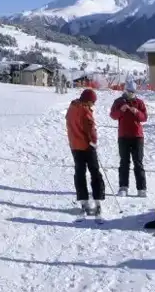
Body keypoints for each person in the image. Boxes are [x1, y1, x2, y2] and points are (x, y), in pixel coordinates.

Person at [66, 88, 104, 217]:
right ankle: (98, 199)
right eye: (93, 102)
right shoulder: (84, 110)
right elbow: (90, 128)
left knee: (80, 173)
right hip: (86, 146)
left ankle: (83, 201)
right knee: (95, 172)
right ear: (88, 101)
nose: (93, 105)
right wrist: (93, 141)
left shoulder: (72, 107)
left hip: (74, 145)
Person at [109, 79, 148, 197]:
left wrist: (136, 112)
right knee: (124, 162)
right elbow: (113, 115)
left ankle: (141, 188)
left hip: (137, 136)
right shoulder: (118, 102)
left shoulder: (139, 102)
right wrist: (121, 110)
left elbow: (144, 117)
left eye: (133, 91)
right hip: (123, 136)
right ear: (125, 90)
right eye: (129, 91)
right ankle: (123, 187)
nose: (131, 93)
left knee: (138, 163)